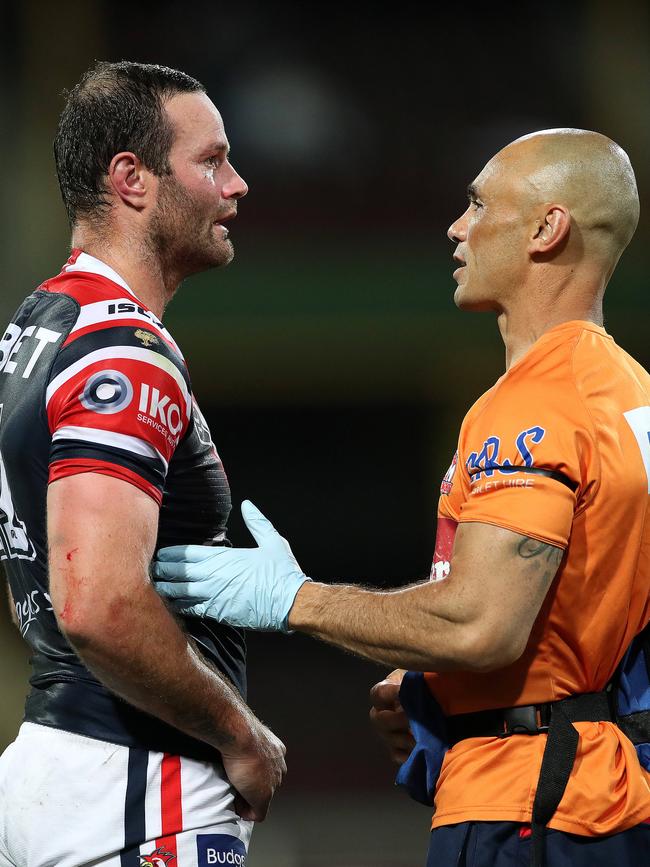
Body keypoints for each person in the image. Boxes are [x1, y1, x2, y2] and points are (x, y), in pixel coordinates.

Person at [154, 129, 650, 866]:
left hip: (531, 805)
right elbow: (582, 600)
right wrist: (432, 682)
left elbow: (483, 624)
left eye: (480, 203)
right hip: (607, 788)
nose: (458, 226)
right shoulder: (629, 394)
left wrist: (296, 598)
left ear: (548, 229)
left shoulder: (533, 407)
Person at [0, 61, 286, 867]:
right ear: (132, 180)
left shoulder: (41, 322)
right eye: (210, 160)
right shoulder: (123, 347)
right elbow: (96, 603)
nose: (235, 184)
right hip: (134, 779)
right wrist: (241, 733)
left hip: (62, 765)